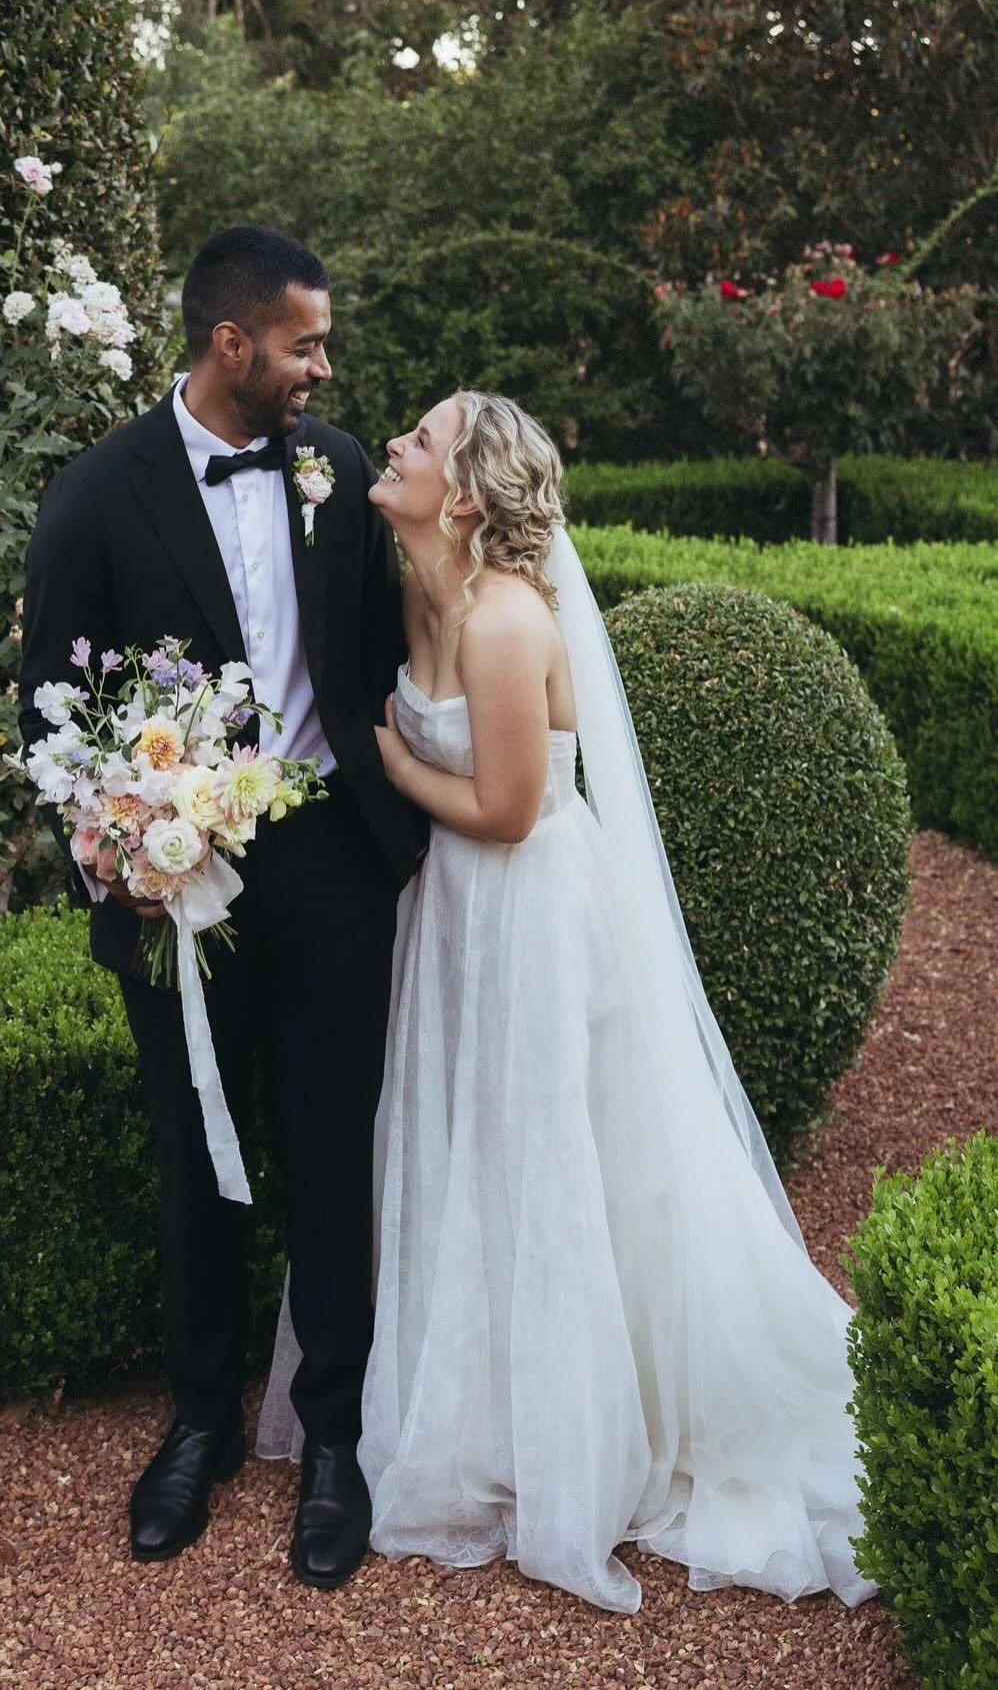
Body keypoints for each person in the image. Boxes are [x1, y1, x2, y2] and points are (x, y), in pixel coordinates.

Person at [258, 390, 875, 1613]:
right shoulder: (420, 590)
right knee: (462, 1148)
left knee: (541, 1156)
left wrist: (383, 760)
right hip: (455, 914)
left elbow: (500, 808)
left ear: (469, 494)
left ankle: (560, 1439)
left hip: (525, 911)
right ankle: (476, 1409)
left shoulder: (496, 621)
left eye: (421, 441)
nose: (393, 446)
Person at [18, 227, 424, 1588]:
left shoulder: (341, 466)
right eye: (304, 342)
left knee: (328, 1148)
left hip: (331, 869)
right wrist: (122, 850)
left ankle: (332, 1438)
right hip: (176, 884)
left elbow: (379, 660)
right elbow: (48, 718)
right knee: (194, 1151)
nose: (323, 364)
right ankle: (194, 1423)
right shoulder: (93, 497)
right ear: (229, 343)